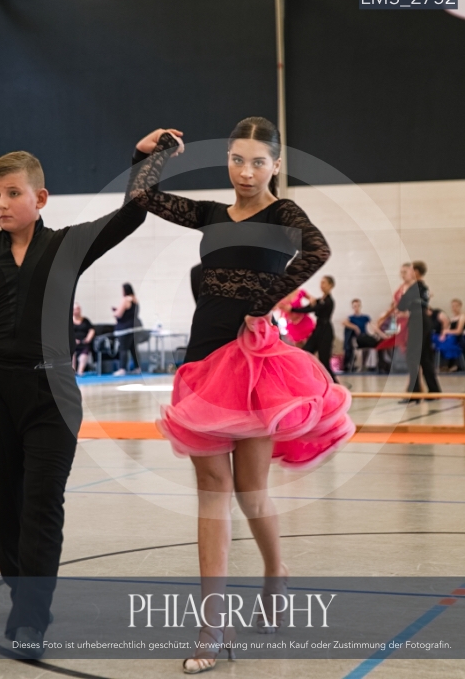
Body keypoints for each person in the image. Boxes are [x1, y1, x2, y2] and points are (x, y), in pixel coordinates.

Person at [125, 118, 354, 674]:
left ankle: (276, 573)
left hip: (255, 365)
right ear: (226, 159)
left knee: (251, 492)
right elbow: (143, 197)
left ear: (275, 165)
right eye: (236, 159)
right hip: (204, 362)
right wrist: (148, 154)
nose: (245, 171)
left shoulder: (284, 214)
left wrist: (262, 303)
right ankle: (212, 625)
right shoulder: (209, 214)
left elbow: (318, 250)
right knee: (212, 491)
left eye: (257, 161)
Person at [0, 132, 156, 658]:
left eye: (12, 193)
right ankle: (26, 594)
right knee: (5, 509)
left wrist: (144, 160)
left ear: (40, 198)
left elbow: (132, 215)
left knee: (42, 503)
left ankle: (30, 617)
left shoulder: (66, 245)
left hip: (53, 395)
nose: (2, 203)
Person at [397, 261, 441, 402]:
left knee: (412, 357)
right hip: (425, 321)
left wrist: (405, 292)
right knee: (424, 357)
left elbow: (401, 306)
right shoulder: (424, 287)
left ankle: (414, 393)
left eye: (410, 271)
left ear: (415, 272)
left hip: (418, 321)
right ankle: (434, 391)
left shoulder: (414, 287)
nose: (407, 274)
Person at [290, 275, 337, 382]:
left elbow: (312, 309)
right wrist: (293, 309)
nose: (321, 285)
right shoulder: (320, 300)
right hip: (318, 330)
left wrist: (292, 309)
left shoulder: (329, 301)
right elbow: (308, 307)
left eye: (324, 283)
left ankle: (335, 384)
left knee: (324, 361)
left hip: (326, 331)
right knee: (306, 352)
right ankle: (308, 379)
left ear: (330, 285)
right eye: (321, 282)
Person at [112, 283, 141, 376]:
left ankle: (122, 368)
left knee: (123, 348)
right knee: (133, 349)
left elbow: (119, 314)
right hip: (135, 327)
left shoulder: (125, 300)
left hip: (125, 329)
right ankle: (137, 367)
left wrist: (115, 312)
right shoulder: (135, 299)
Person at [433, 299, 465, 371]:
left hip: (458, 337)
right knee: (440, 340)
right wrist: (443, 334)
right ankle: (445, 364)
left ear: (460, 306)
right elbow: (445, 330)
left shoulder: (462, 317)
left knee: (449, 342)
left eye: (456, 306)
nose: (454, 308)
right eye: (453, 306)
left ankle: (451, 364)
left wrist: (447, 331)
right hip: (450, 337)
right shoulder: (451, 318)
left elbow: (459, 331)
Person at [342, 299, 372, 371]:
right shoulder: (351, 318)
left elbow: (372, 326)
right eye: (355, 306)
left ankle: (364, 364)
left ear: (360, 306)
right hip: (357, 338)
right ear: (352, 307)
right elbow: (344, 322)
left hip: (365, 336)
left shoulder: (365, 317)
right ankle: (354, 364)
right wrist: (355, 327)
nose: (356, 308)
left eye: (358, 306)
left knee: (370, 342)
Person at [72, 302, 95, 376]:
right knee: (72, 353)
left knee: (84, 355)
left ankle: (80, 371)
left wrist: (88, 338)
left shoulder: (85, 320)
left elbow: (92, 330)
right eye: (75, 309)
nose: (77, 311)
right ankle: (72, 371)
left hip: (84, 343)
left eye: (78, 309)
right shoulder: (69, 321)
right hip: (73, 344)